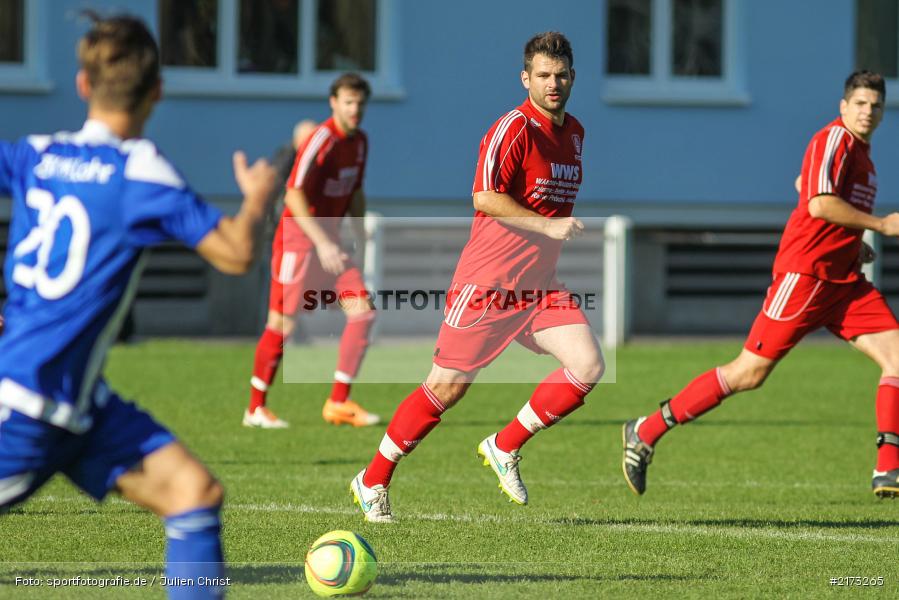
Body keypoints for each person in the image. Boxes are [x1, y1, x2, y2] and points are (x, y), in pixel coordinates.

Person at [0, 13, 276, 599]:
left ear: (81, 85)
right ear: (157, 91)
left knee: (192, 492)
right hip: (25, 407)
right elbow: (234, 254)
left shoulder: (35, 154)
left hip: (77, 402)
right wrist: (255, 200)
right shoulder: (139, 170)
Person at [349, 32, 605, 523]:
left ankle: (504, 445)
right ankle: (373, 478)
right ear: (525, 78)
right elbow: (484, 197)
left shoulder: (575, 131)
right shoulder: (512, 128)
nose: (554, 83)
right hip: (489, 284)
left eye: (562, 75)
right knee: (447, 387)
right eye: (544, 75)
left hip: (539, 286)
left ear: (573, 77)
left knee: (588, 366)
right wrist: (547, 223)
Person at [622, 71, 899, 499]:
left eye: (875, 105)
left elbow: (807, 189)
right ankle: (645, 430)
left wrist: (851, 244)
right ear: (843, 106)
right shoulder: (835, 140)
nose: (867, 111)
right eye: (860, 103)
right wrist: (878, 225)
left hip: (843, 283)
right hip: (806, 277)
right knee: (748, 373)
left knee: (897, 358)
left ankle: (888, 469)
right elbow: (819, 201)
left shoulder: (862, 156)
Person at [244, 74, 379, 429]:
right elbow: (293, 193)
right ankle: (255, 407)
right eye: (348, 102)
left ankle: (339, 402)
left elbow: (355, 191)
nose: (355, 109)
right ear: (333, 103)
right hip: (300, 242)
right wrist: (320, 241)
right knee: (283, 324)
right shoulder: (321, 139)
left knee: (363, 313)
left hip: (330, 245)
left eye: (360, 103)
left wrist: (361, 236)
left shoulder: (361, 142)